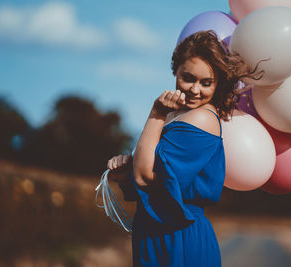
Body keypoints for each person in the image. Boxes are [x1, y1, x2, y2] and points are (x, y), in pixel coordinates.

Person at [106, 30, 251, 267]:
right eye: (188, 78)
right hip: (154, 231)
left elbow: (145, 177)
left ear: (218, 84)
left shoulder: (201, 119)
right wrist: (123, 172)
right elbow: (148, 178)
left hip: (179, 236)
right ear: (176, 71)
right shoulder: (176, 114)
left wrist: (156, 113)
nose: (195, 90)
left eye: (206, 83)